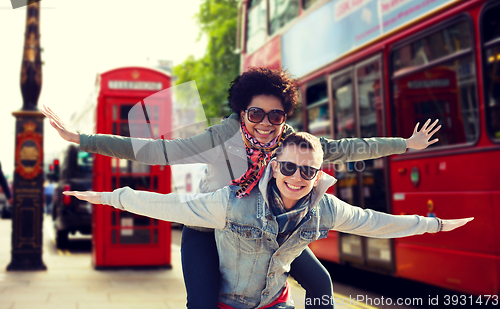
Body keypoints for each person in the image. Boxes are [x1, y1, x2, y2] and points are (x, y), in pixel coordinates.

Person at [42, 67, 441, 309]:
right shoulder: (223, 136)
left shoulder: (293, 144)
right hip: (210, 226)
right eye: (255, 113)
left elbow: (346, 148)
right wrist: (82, 139)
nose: (266, 123)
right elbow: (160, 151)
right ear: (241, 112)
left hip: (264, 228)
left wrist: (405, 144)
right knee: (202, 302)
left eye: (276, 115)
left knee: (320, 283)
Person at [64, 132, 473, 309]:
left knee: (322, 284)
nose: (298, 178)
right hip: (226, 297)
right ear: (274, 166)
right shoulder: (232, 200)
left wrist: (432, 223)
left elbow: (374, 221)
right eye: (290, 169)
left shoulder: (323, 206)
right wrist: (106, 197)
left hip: (274, 301)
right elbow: (169, 204)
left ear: (319, 173)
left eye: (308, 172)